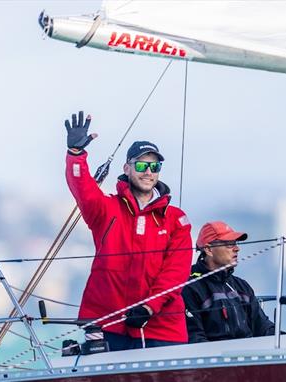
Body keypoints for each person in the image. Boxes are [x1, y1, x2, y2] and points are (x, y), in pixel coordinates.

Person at [64, 111, 193, 350]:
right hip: (107, 323)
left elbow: (176, 272)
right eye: (142, 164)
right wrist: (76, 154)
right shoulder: (106, 209)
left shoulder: (176, 219)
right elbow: (82, 189)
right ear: (127, 167)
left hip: (161, 327)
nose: (148, 172)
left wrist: (148, 307)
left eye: (155, 166)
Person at [182, 221, 275, 343]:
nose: (237, 248)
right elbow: (195, 338)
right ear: (209, 249)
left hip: (246, 357)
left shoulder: (242, 286)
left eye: (236, 243)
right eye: (229, 244)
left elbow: (263, 328)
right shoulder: (189, 286)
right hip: (215, 360)